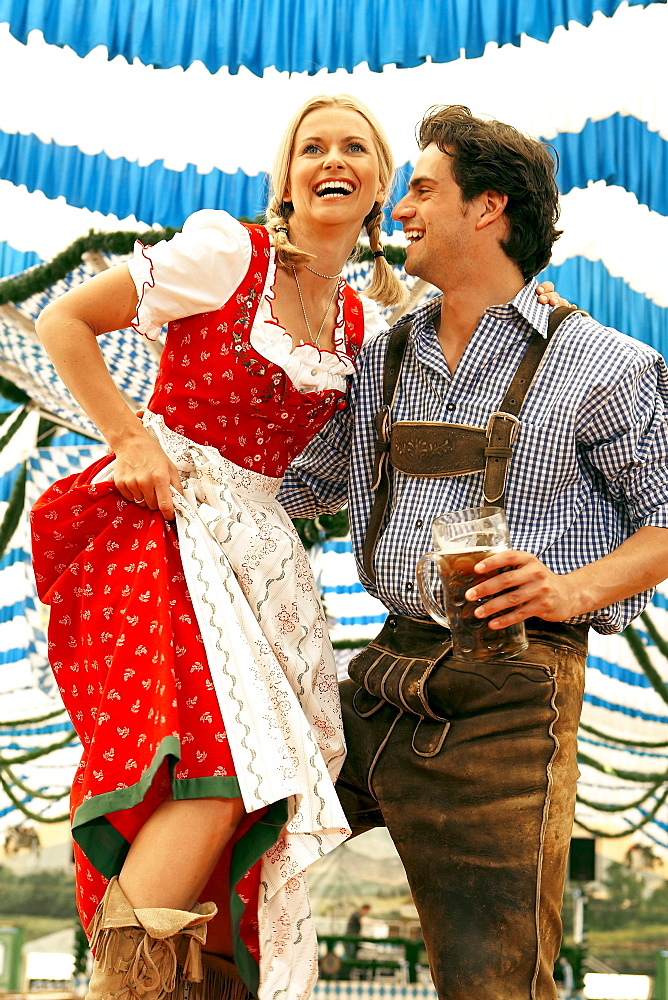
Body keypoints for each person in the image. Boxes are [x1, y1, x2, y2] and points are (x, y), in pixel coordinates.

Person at [30, 92, 562, 1000]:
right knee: (218, 768)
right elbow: (62, 323)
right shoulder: (224, 253)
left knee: (257, 794)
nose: (331, 159)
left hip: (264, 557)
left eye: (354, 146)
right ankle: (114, 989)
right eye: (311, 146)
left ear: (385, 190)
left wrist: (529, 309)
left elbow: (389, 435)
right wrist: (129, 438)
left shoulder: (360, 326)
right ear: (286, 176)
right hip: (167, 527)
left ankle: (180, 982)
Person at [279, 105, 668, 1000]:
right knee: (220, 824)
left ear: (488, 208)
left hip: (507, 696)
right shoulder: (382, 359)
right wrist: (162, 457)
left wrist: (567, 591)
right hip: (378, 678)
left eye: (421, 187)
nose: (399, 205)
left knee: (490, 985)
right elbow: (298, 490)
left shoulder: (607, 364)